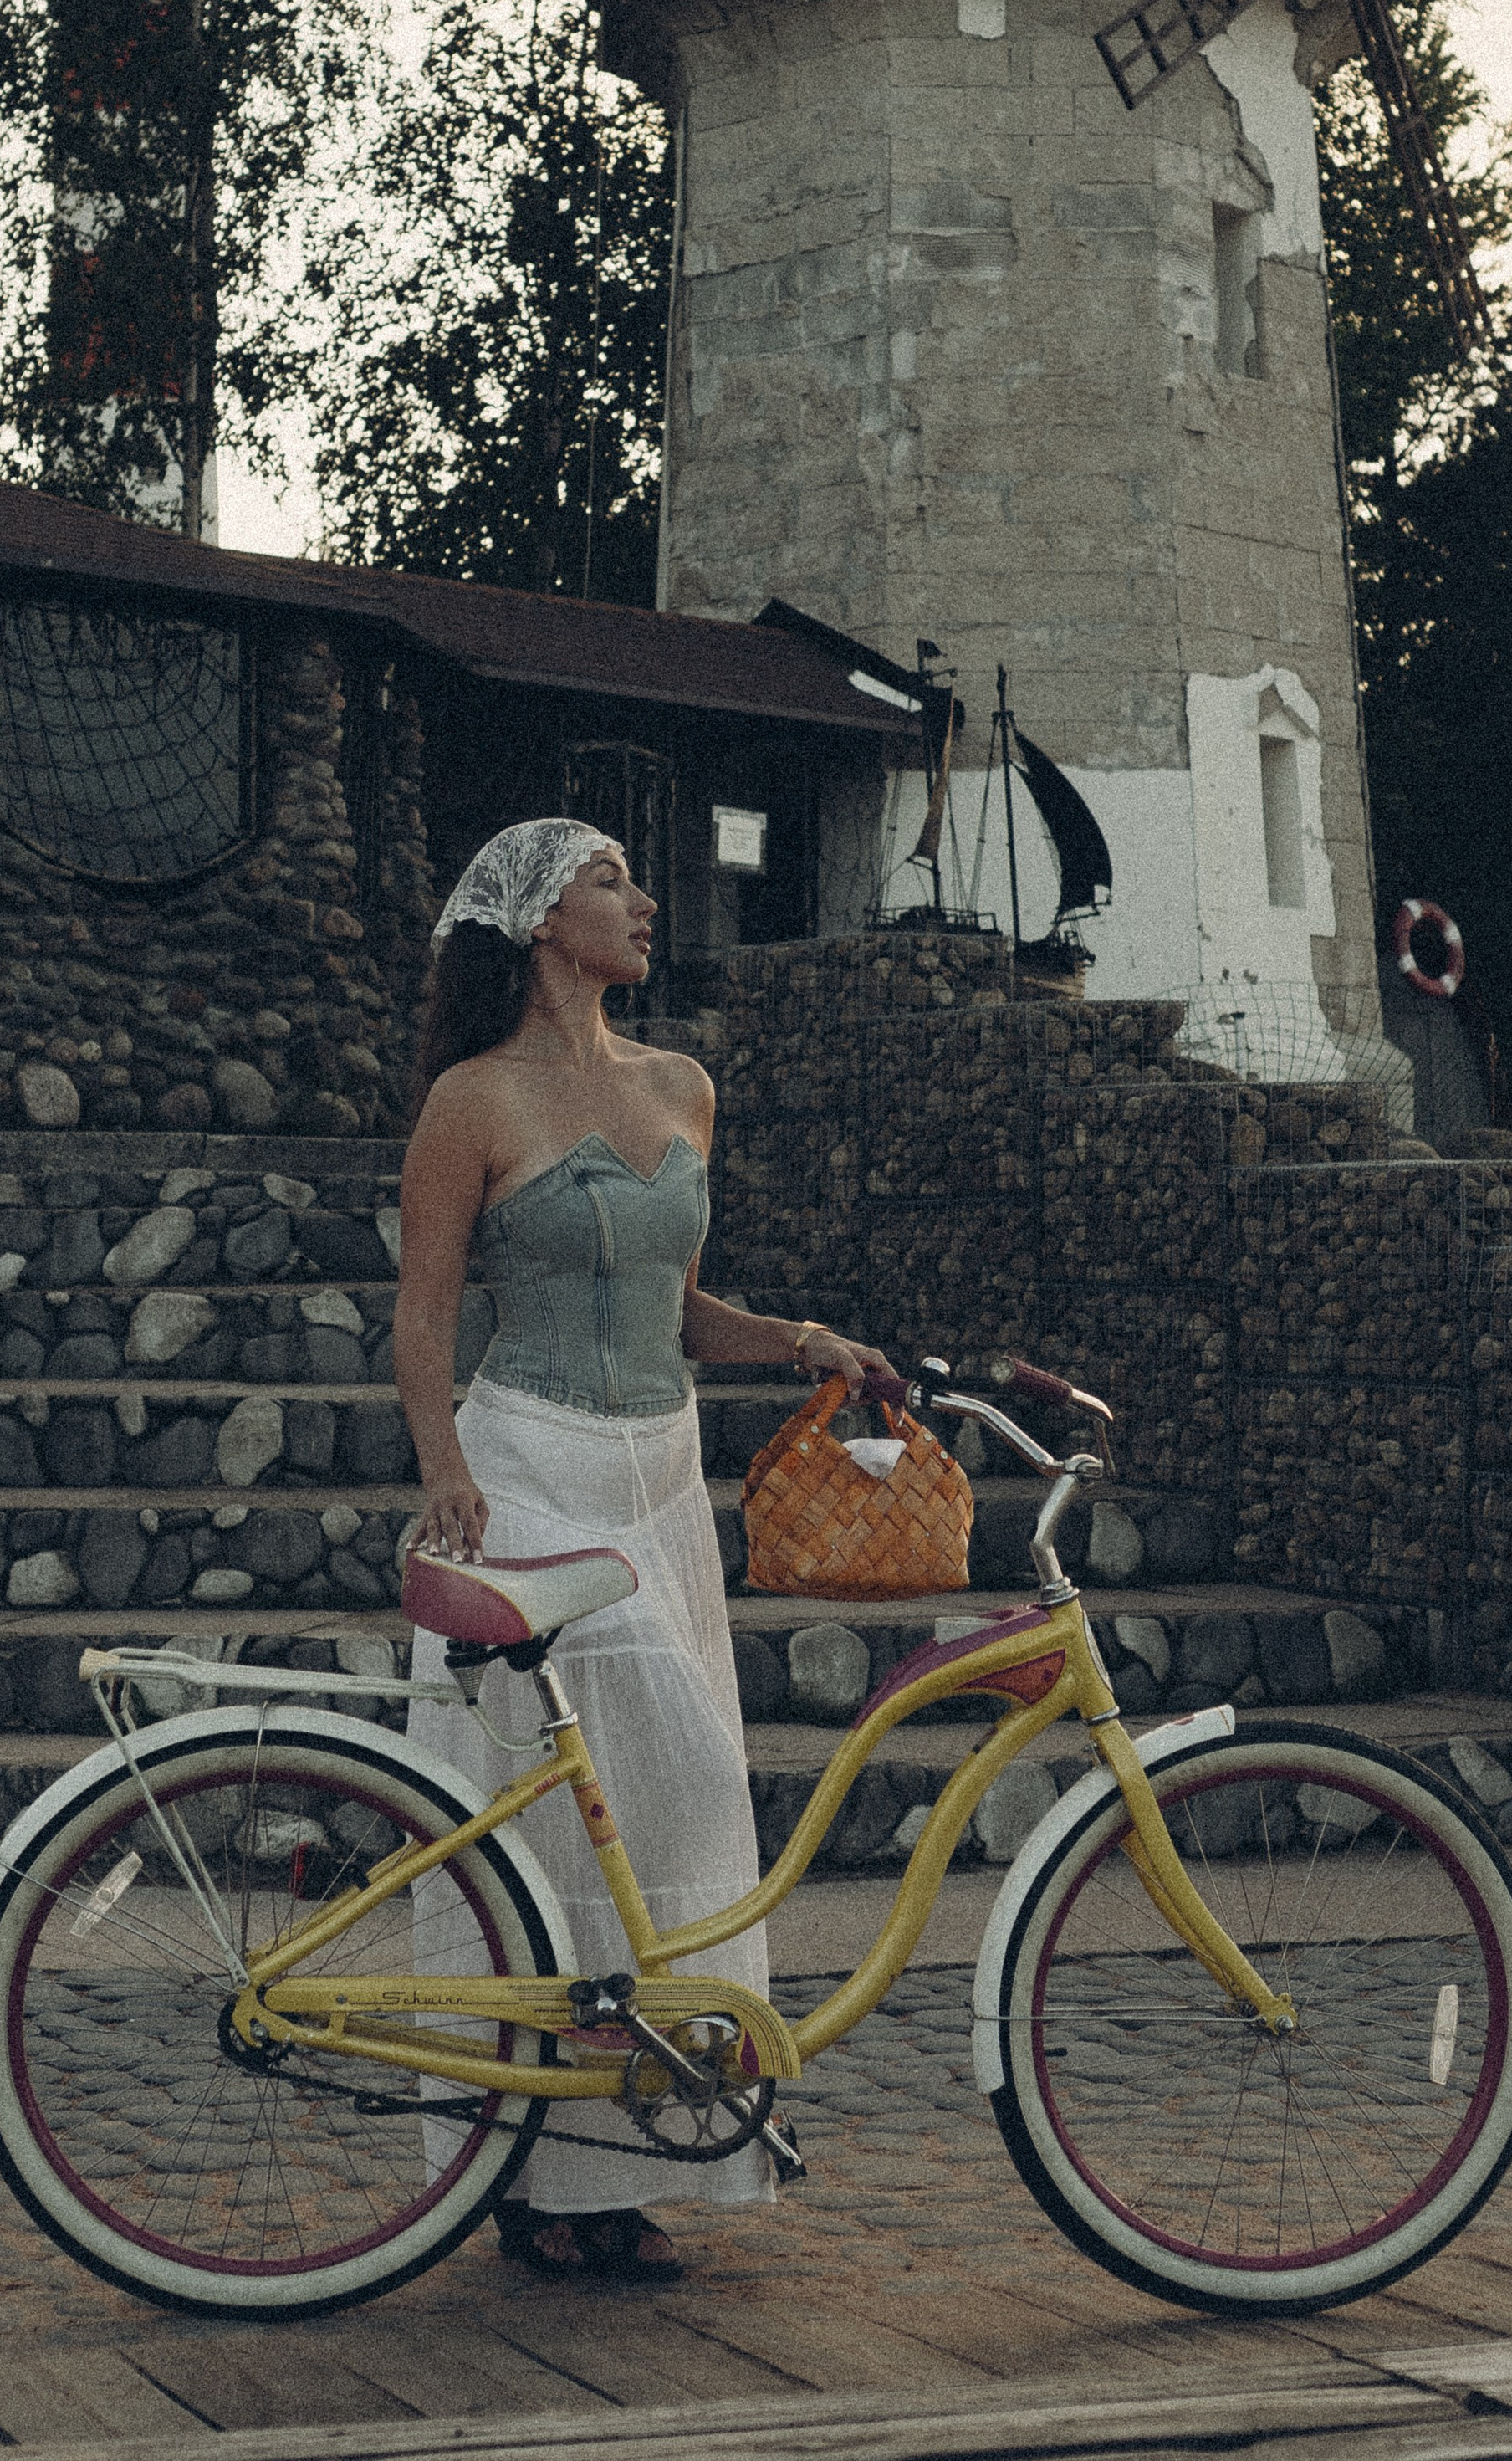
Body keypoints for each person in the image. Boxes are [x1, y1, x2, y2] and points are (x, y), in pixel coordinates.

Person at [393, 816, 877, 2284]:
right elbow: (422, 1318)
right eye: (610, 881)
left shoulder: (684, 1087)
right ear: (542, 923)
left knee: (670, 1812)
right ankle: (520, 2163)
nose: (644, 901)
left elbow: (682, 1309)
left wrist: (799, 1342)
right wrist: (447, 1474)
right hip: (529, 1467)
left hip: (663, 1481)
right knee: (555, 1809)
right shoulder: (470, 1101)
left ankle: (621, 2158)